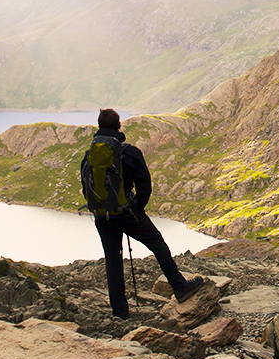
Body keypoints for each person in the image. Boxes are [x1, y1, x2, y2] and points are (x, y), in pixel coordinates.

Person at [86, 108, 204, 318]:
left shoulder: (90, 155)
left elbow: (87, 187)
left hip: (103, 217)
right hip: (128, 214)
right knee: (158, 245)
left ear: (99, 126)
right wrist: (137, 208)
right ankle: (180, 288)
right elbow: (144, 185)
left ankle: (120, 312)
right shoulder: (129, 151)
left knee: (113, 261)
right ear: (119, 126)